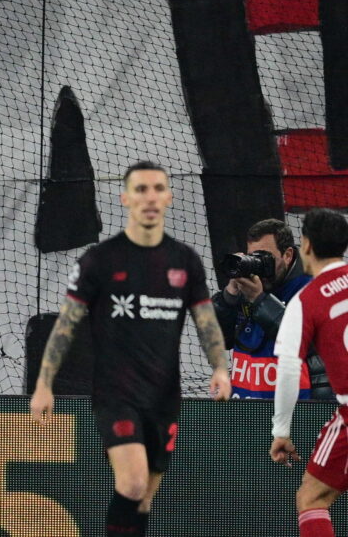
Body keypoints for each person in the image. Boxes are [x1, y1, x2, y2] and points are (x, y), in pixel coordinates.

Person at [30, 160, 231, 537]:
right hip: (116, 395)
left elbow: (205, 321)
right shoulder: (100, 260)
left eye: (157, 189)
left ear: (169, 197)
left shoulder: (185, 261)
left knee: (143, 500)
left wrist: (220, 367)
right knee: (134, 483)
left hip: (164, 397)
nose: (150, 197)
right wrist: (44, 384)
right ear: (125, 198)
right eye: (141, 189)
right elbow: (66, 325)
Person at [269, 208, 348, 537]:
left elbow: (289, 367)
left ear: (306, 246)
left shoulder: (307, 300)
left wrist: (281, 431)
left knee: (312, 498)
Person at [212, 218, 317, 399]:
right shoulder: (249, 286)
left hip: (293, 411)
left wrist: (259, 299)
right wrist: (229, 296)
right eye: (254, 257)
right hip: (243, 408)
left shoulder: (311, 290)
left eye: (266, 257)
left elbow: (301, 341)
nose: (259, 264)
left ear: (287, 255)